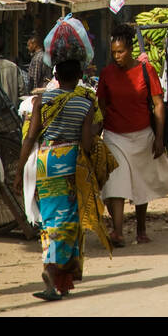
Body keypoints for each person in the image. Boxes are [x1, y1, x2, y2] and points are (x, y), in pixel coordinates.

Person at [16, 59, 115, 300]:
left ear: (56, 76)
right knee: (69, 218)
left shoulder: (41, 101)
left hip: (45, 160)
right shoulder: (86, 104)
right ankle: (54, 272)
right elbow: (87, 143)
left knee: (49, 217)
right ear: (80, 75)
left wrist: (19, 171)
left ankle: (56, 276)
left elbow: (30, 138)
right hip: (71, 162)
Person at [97, 25, 168, 246]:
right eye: (114, 53)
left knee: (141, 184)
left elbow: (158, 105)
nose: (117, 57)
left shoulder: (147, 70)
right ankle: (117, 232)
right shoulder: (106, 73)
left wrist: (160, 137)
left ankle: (141, 230)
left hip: (143, 134)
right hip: (114, 136)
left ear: (131, 49)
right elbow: (102, 107)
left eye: (121, 52)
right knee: (116, 182)